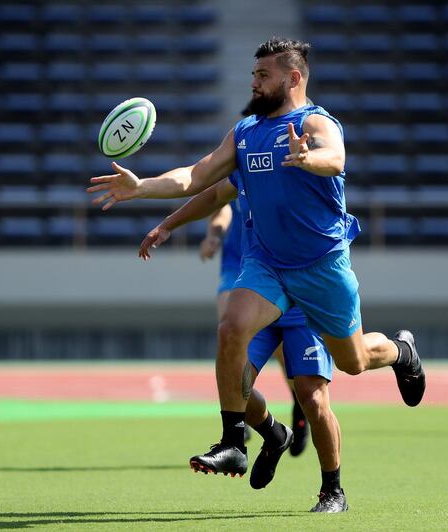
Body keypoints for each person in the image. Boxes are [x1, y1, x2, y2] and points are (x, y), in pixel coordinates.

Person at [87, 36, 425, 492]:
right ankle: (234, 441)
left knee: (354, 360)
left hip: (321, 265)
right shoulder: (245, 132)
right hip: (267, 263)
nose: (254, 82)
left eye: (263, 75)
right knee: (231, 328)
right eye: (253, 74)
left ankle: (401, 351)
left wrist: (310, 158)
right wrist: (142, 187)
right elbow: (198, 176)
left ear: (294, 77)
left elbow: (336, 156)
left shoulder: (316, 122)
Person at [141, 169, 347, 512]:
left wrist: (315, 156)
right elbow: (211, 193)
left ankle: (333, 489)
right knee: (234, 378)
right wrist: (168, 222)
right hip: (260, 291)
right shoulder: (252, 158)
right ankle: (271, 433)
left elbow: (334, 160)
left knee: (313, 396)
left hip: (305, 298)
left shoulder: (309, 163)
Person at [200, 154, 310, 456]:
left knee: (279, 350)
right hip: (236, 262)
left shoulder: (278, 160)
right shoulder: (238, 156)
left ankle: (300, 406)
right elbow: (219, 205)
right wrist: (214, 235)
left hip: (267, 261)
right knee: (231, 332)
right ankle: (240, 420)